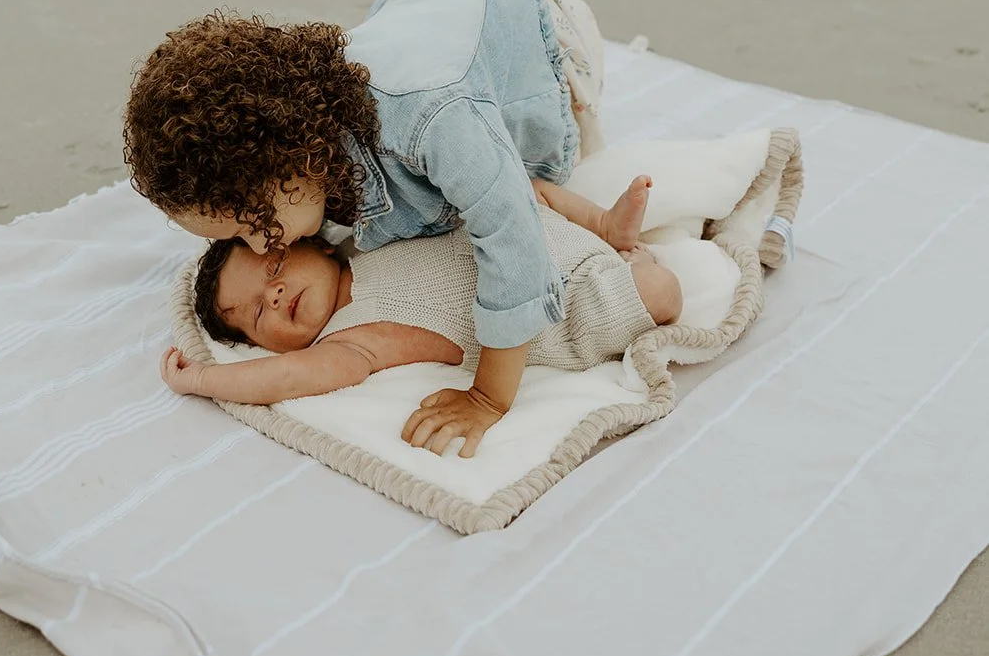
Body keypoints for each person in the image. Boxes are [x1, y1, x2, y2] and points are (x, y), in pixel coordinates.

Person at [125, 0, 615, 453]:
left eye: (252, 226)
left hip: (538, 25)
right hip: (427, 1)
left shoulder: (432, 119)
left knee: (504, 184)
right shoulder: (309, 152)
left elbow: (516, 244)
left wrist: (488, 398)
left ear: (290, 155)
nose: (257, 245)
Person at [161, 174, 682, 458]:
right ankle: (631, 262)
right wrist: (208, 378)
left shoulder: (363, 237)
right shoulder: (351, 340)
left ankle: (604, 224)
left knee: (519, 181)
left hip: (529, 231)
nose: (273, 296)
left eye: (273, 267)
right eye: (255, 315)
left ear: (314, 244)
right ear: (266, 347)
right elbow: (292, 377)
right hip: (561, 306)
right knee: (661, 294)